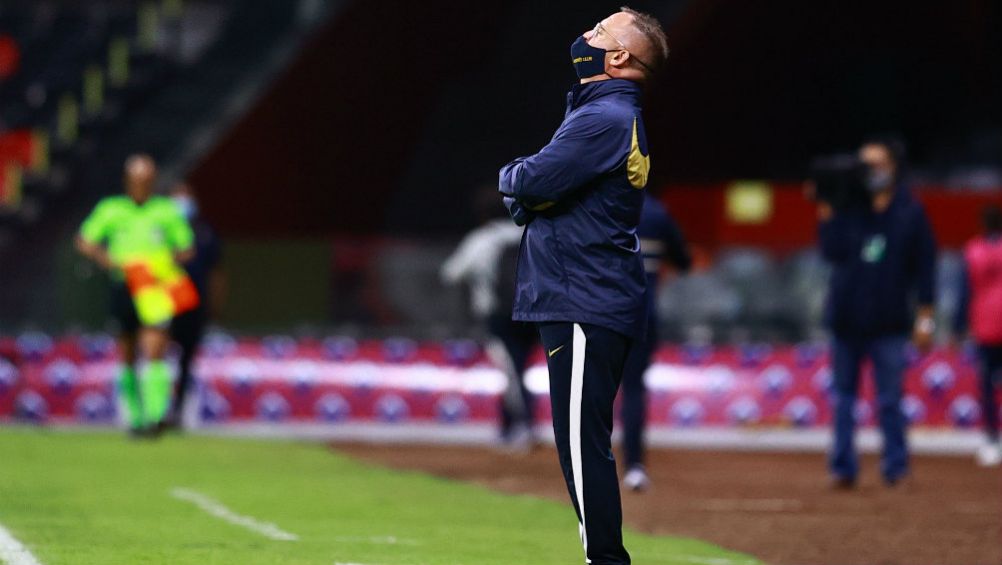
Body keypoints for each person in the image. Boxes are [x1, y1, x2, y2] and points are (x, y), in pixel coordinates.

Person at [498, 7, 669, 564]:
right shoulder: (611, 114)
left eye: (600, 32)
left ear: (619, 57)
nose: (586, 37)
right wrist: (532, 193)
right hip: (593, 293)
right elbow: (544, 191)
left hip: (583, 295)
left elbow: (532, 180)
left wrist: (515, 181)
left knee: (580, 444)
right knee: (581, 442)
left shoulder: (604, 118)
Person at [816, 136, 937, 488]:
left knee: (890, 400)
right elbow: (830, 251)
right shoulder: (848, 207)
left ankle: (896, 467)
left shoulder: (911, 212)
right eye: (862, 164)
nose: (868, 172)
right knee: (842, 400)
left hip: (890, 322)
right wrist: (827, 211)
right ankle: (842, 468)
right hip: (846, 319)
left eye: (876, 164)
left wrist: (925, 319)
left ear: (894, 167)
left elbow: (925, 269)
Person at [76, 155, 196, 437]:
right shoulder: (111, 209)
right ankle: (135, 418)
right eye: (137, 180)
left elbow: (186, 248)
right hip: (123, 286)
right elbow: (84, 240)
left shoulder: (166, 211)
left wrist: (165, 263)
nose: (142, 185)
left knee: (155, 348)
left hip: (154, 289)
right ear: (127, 181)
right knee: (127, 353)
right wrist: (105, 258)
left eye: (147, 180)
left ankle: (156, 417)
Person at [441, 187, 535, 451]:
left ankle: (524, 426)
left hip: (498, 316)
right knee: (518, 368)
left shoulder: (482, 239)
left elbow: (451, 273)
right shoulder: (529, 233)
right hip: (533, 314)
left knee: (512, 371)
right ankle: (509, 428)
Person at [620, 192, 691, 491]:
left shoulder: (597, 205)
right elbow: (684, 261)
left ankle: (586, 467)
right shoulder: (657, 213)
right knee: (633, 389)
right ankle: (634, 465)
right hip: (642, 314)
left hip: (597, 311)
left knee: (593, 389)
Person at [164, 182, 224, 429]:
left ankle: (178, 411)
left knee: (187, 359)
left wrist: (216, 302)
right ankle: (157, 409)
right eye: (177, 198)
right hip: (164, 303)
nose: (182, 204)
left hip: (195, 303)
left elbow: (217, 271)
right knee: (159, 356)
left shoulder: (204, 231)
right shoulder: (162, 231)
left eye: (186, 198)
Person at [954, 205, 1002, 466]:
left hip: (985, 328)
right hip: (991, 326)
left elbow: (964, 292)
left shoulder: (972, 251)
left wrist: (958, 326)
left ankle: (993, 439)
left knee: (986, 387)